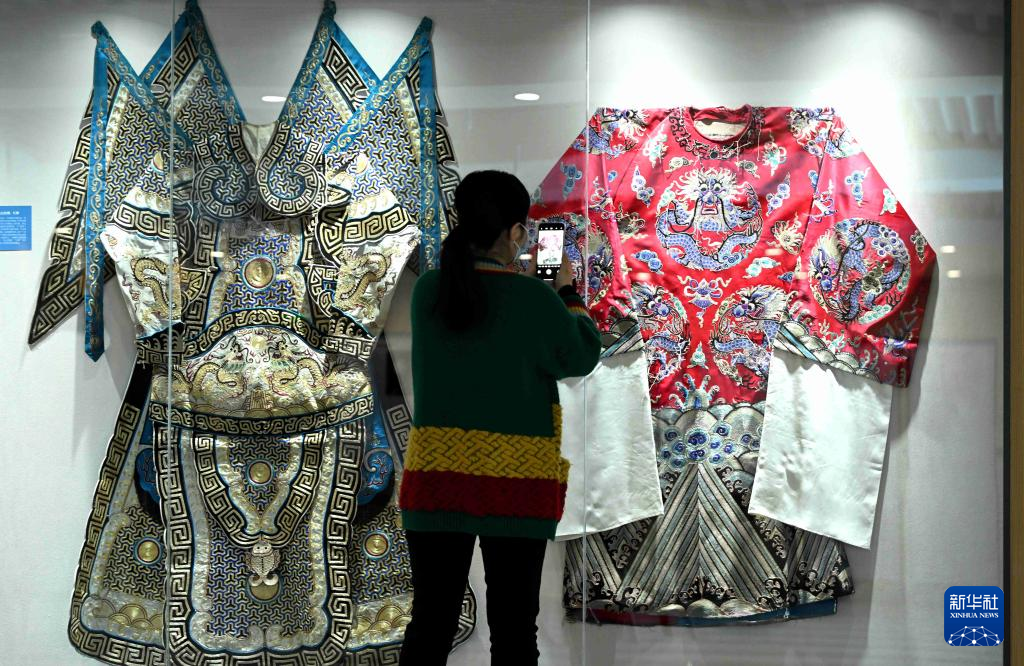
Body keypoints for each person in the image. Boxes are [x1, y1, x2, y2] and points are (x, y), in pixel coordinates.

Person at [397, 170, 601, 665]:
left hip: (438, 477)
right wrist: (565, 291)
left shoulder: (429, 291)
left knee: (431, 623)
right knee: (513, 632)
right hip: (517, 483)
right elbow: (580, 355)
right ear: (515, 232)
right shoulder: (535, 299)